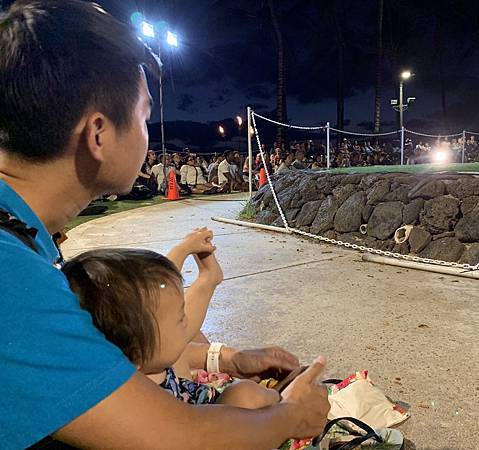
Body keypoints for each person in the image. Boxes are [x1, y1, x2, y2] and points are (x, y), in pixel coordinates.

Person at [0, 1, 330, 448]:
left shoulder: (21, 239)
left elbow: (112, 357)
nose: (148, 131)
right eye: (143, 114)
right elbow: (176, 438)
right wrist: (291, 417)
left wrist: (229, 358)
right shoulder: (9, 275)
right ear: (98, 134)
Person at [63, 228, 280, 409]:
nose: (185, 320)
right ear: (135, 355)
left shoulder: (140, 356)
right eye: (180, 319)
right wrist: (279, 403)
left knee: (164, 309)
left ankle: (206, 277)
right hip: (197, 421)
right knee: (245, 394)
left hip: (185, 386)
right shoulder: (137, 403)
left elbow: (154, 298)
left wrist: (182, 249)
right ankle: (285, 400)